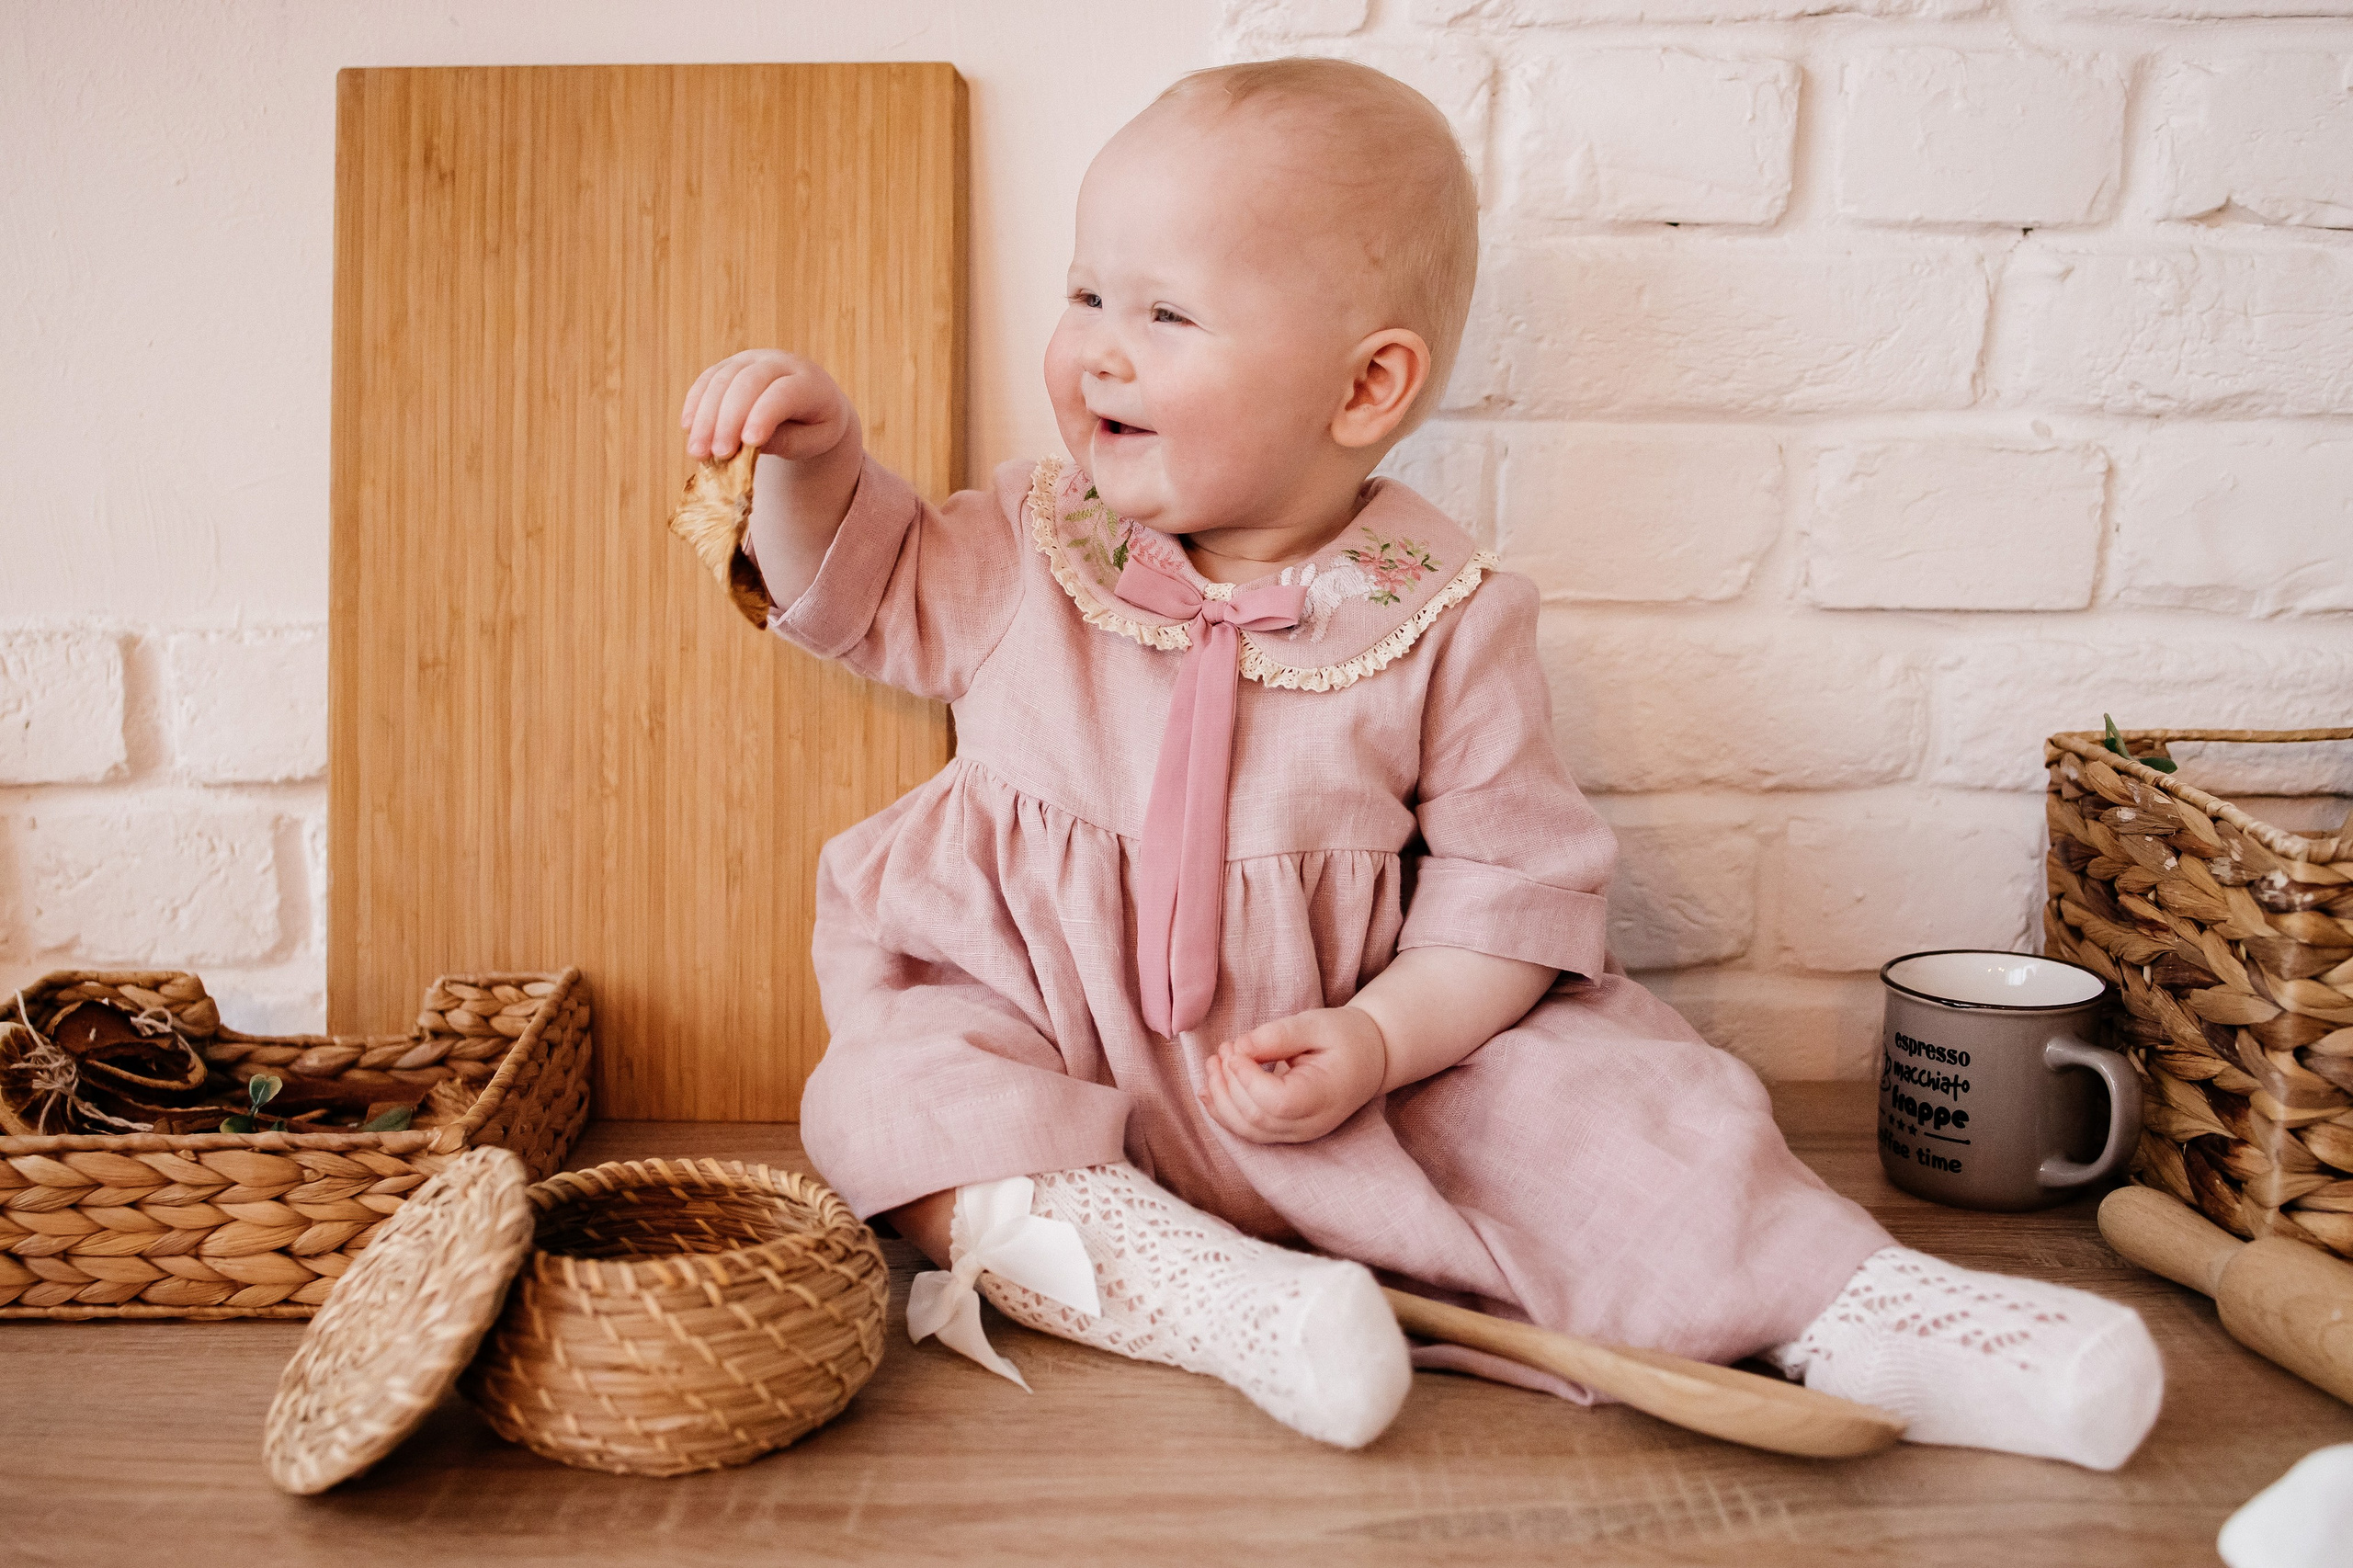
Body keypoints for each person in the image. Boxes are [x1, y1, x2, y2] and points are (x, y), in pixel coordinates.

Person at [676, 56, 2162, 1466]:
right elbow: (856, 593)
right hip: (1046, 1020)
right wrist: (815, 463)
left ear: (1365, 387)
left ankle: (1872, 1312)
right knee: (901, 1091)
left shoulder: (1445, 620)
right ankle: (1207, 1298)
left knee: (1624, 1103)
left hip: (1340, 1052)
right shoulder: (1025, 549)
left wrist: (1382, 1040)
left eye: (1167, 316)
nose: (1098, 348)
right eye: (1084, 294)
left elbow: (1507, 904)